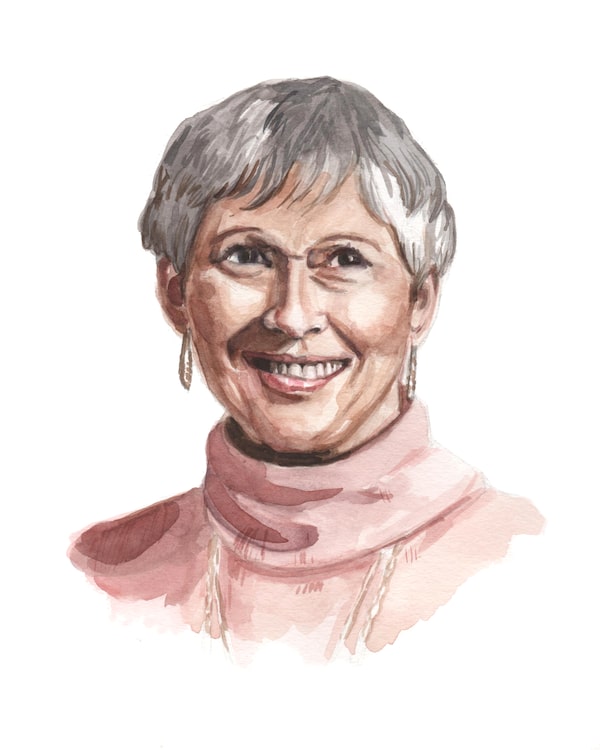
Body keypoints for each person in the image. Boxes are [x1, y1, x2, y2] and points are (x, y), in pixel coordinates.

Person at [69, 77, 543, 662]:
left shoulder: (529, 563)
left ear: (419, 303)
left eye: (345, 259)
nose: (293, 316)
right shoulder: (99, 573)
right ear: (176, 296)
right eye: (247, 256)